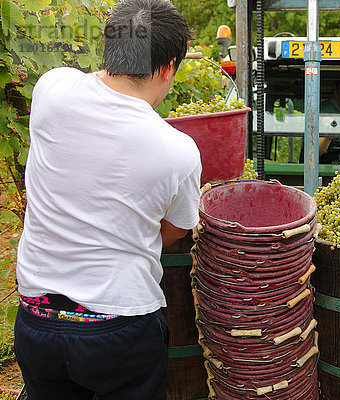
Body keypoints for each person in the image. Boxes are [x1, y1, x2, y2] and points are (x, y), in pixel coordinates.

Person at [13, 1, 199, 399]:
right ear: (168, 67)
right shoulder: (177, 150)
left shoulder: (52, 89)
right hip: (119, 328)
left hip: (37, 319)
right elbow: (177, 229)